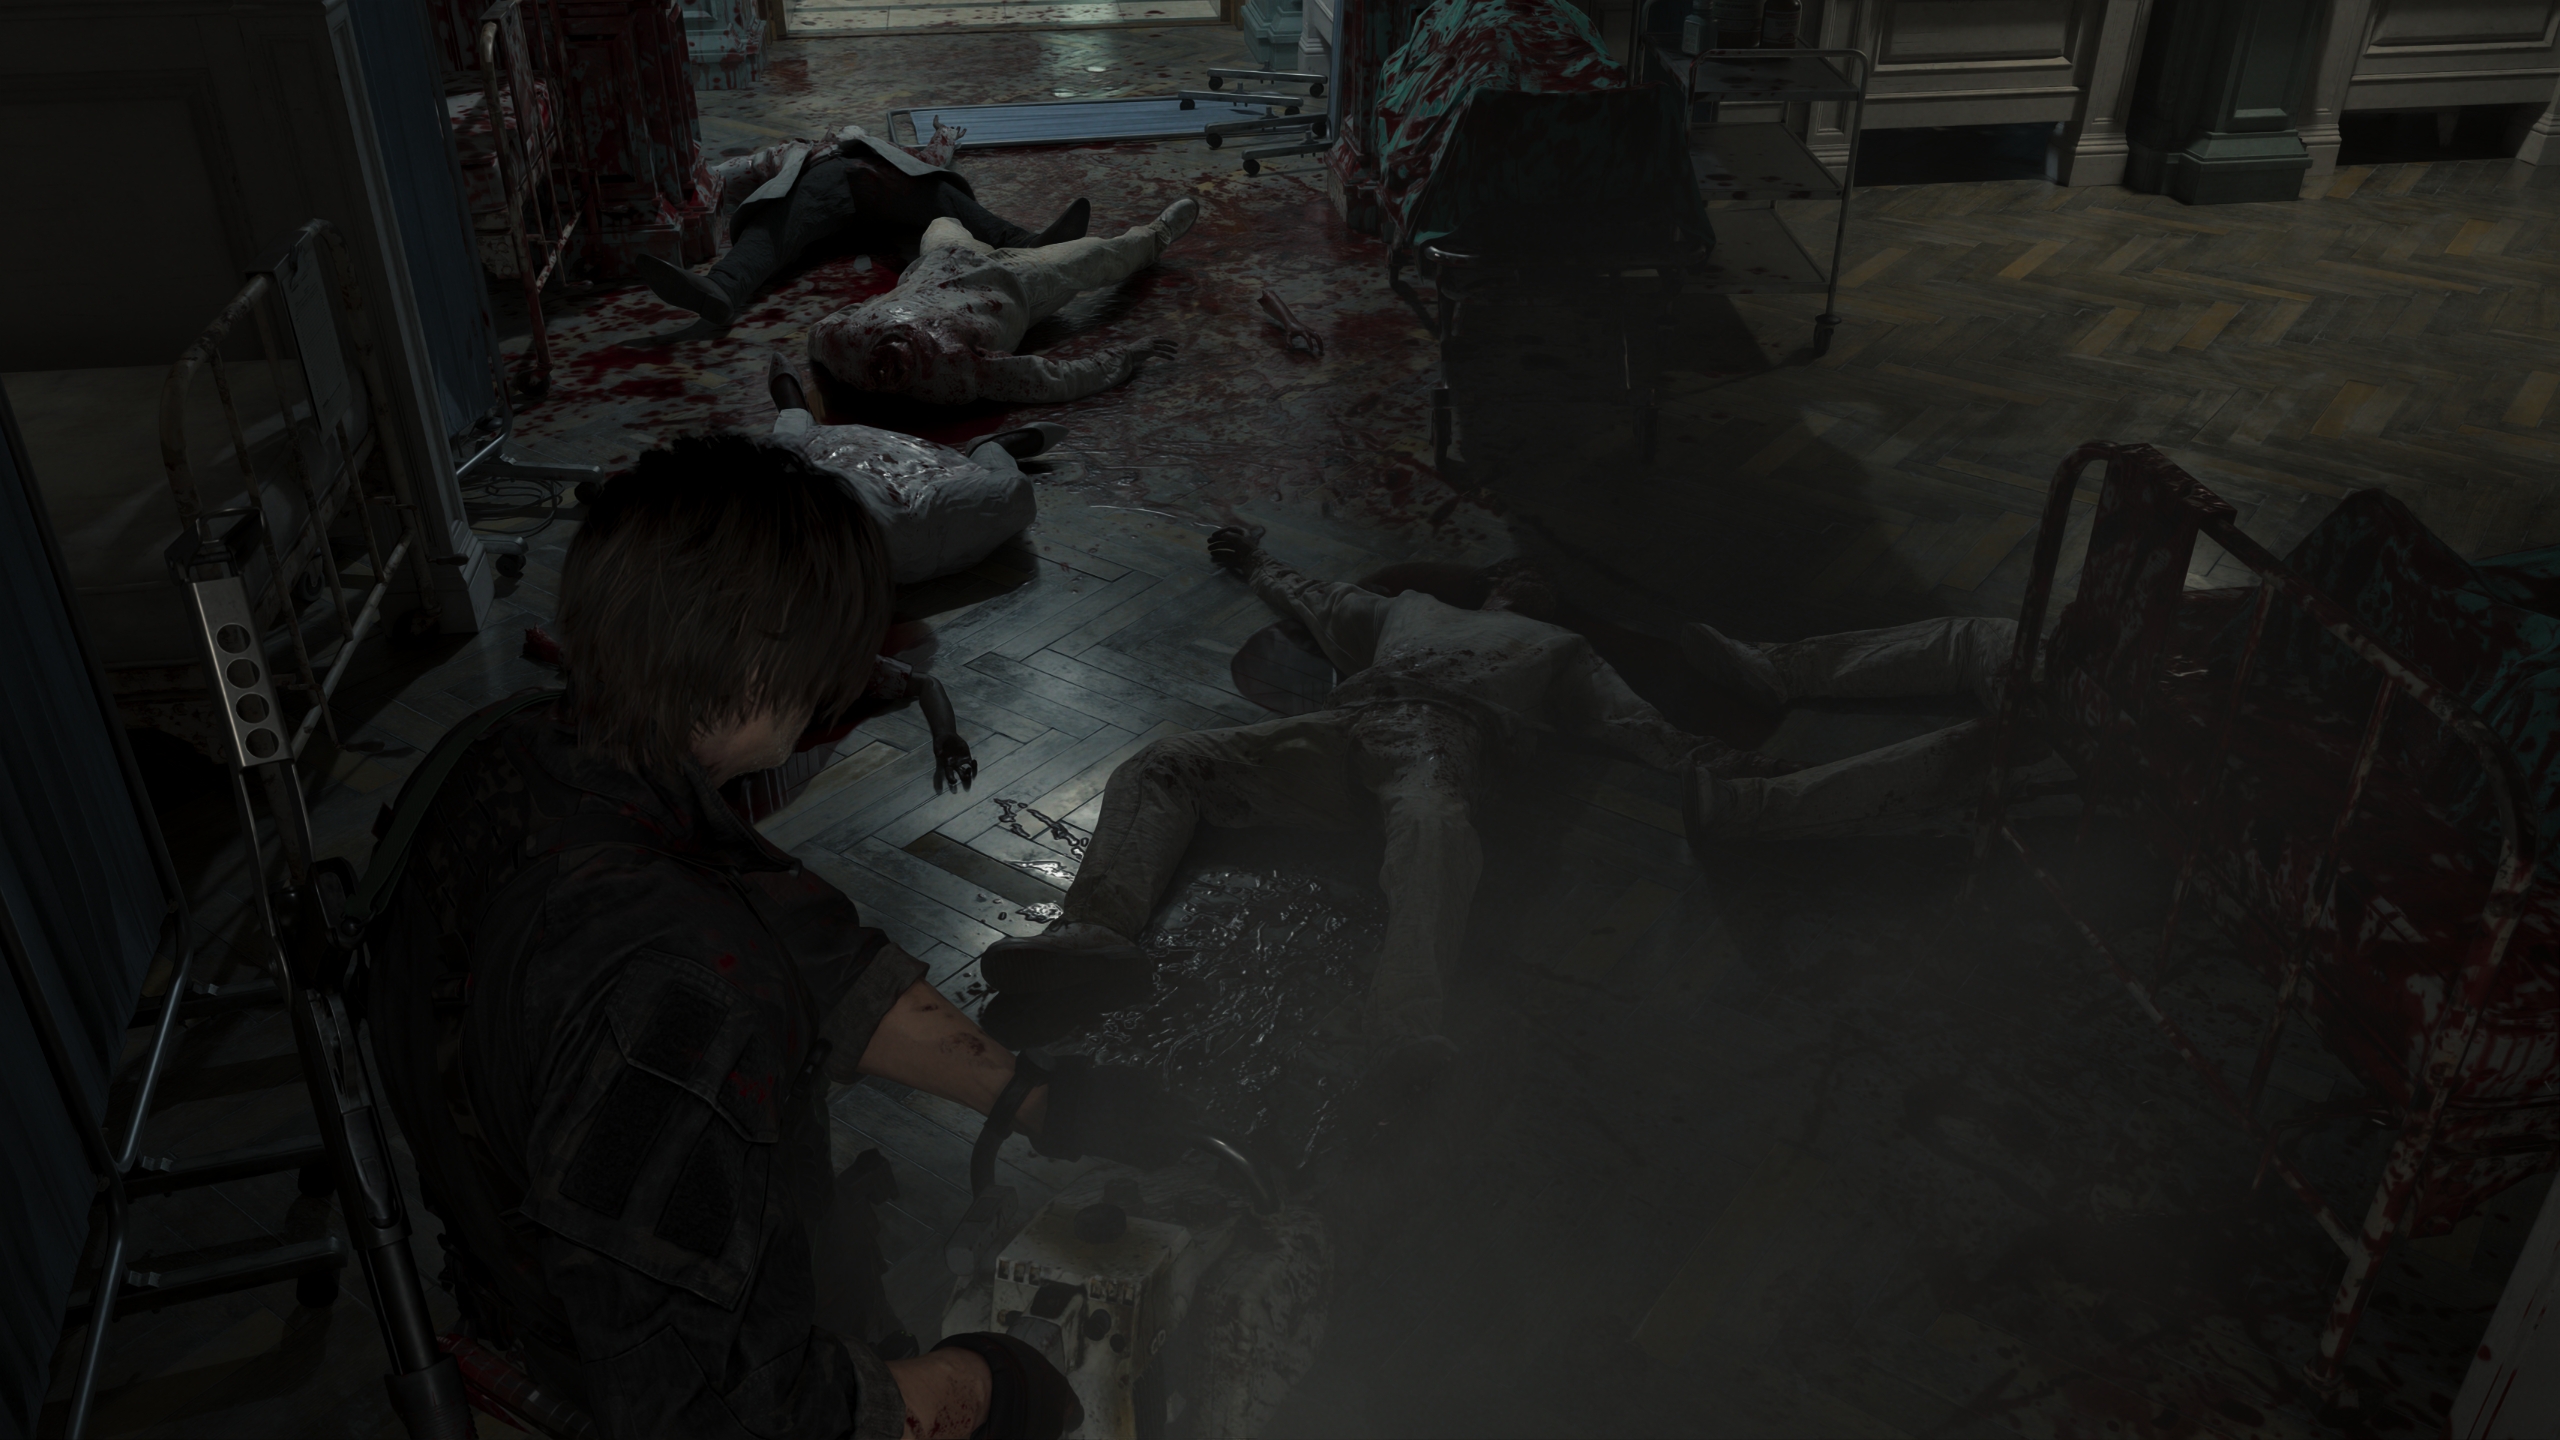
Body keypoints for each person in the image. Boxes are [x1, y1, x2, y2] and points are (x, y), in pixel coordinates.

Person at [367, 435, 1192, 1440]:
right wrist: (976, 1386)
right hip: (593, 1389)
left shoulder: (511, 758)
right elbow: (715, 1411)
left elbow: (802, 947)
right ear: (763, 658)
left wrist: (1031, 1097)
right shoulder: (673, 984)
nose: (838, 681)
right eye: (832, 648)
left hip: (510, 1290)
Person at [976, 527, 1794, 1096]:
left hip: (1446, 742)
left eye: (1540, 587)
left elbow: (1632, 722)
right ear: (1490, 581)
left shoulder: (1561, 651)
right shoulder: (1413, 609)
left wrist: (1721, 762)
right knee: (1168, 761)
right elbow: (1316, 598)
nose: (1527, 584)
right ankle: (1096, 930)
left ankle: (1403, 1023)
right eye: (1515, 574)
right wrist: (1255, 560)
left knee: (1435, 831)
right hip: (1349, 726)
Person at [640, 123, 1088, 328]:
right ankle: (721, 289)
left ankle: (1028, 242)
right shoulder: (792, 154)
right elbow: (729, 174)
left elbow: (931, 159)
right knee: (773, 226)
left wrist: (945, 136)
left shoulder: (882, 150)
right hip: (822, 190)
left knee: (942, 194)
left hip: (885, 191)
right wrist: (686, 179)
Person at [806, 199, 1199, 408]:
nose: (888, 365)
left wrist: (882, 301)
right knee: (1097, 255)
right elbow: (1049, 380)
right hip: (1017, 281)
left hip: (943, 259)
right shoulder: (952, 369)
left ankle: (1031, 242)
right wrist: (1124, 358)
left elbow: (829, 325)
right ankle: (1157, 236)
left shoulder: (843, 343)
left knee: (942, 223)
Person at [1675, 615, 2021, 843]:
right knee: (1977, 636)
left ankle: (1749, 807)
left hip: (2054, 737)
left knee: (1968, 758)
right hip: (2051, 686)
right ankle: (1779, 669)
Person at [763, 351, 1057, 585]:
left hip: (858, 498)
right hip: (913, 520)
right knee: (1014, 493)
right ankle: (992, 449)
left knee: (786, 460)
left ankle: (793, 410)